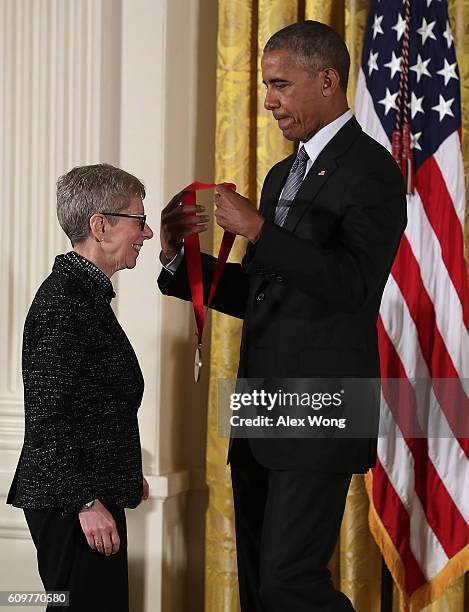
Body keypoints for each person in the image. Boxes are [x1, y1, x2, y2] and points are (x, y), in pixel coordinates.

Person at [159, 20, 406, 612]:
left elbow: (352, 287)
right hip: (261, 410)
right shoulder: (279, 176)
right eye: (265, 85)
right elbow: (267, 293)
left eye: (280, 84)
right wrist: (178, 261)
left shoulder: (372, 171)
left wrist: (259, 229)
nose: (268, 100)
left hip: (321, 407)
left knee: (289, 585)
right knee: (258, 590)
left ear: (327, 80)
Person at [7, 164, 153, 612]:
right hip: (72, 503)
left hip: (87, 493)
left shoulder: (84, 294)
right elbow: (49, 417)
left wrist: (122, 473)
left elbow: (91, 405)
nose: (146, 235)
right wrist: (86, 501)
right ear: (100, 226)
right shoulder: (65, 300)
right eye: (139, 221)